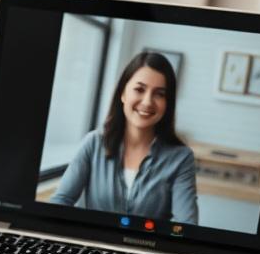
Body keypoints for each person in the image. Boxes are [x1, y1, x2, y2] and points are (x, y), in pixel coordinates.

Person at [50, 51, 199, 224]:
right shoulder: (93, 143)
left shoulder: (181, 158)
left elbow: (187, 226)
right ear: (123, 94)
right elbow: (60, 202)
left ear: (168, 103)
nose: (147, 101)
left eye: (159, 94)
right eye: (139, 89)